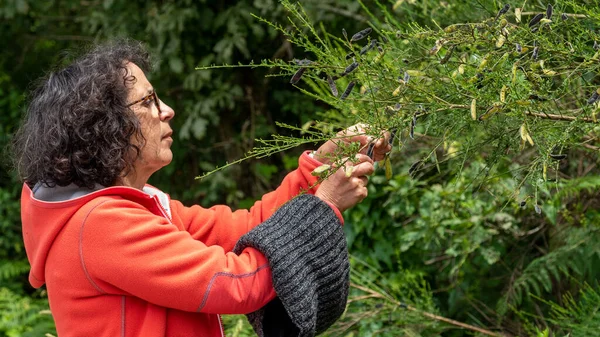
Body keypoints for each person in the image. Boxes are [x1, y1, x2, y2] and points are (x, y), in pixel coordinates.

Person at [12, 39, 390, 337]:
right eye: (148, 101)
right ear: (104, 125)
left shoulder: (138, 208)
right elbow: (237, 283)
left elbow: (246, 228)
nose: (167, 110)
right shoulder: (100, 225)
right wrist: (322, 207)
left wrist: (318, 170)